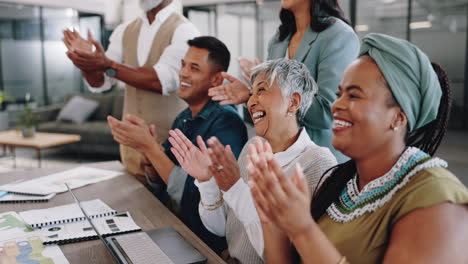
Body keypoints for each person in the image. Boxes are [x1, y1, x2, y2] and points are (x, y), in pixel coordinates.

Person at [247, 33, 468, 264]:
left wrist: (303, 230)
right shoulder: (340, 181)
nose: (337, 105)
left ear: (398, 116)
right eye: (338, 94)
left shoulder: (436, 199)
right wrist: (273, 224)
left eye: (354, 95)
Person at [169, 59, 337, 263]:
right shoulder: (252, 147)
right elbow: (222, 228)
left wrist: (235, 188)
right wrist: (207, 181)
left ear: (293, 102)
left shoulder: (318, 162)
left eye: (261, 90)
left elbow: (288, 254)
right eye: (251, 93)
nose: (250, 102)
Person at [107, 36, 248, 254]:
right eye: (183, 65)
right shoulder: (183, 118)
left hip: (205, 243)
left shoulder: (226, 123)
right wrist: (148, 156)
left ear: (216, 79)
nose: (182, 73)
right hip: (174, 228)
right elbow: (162, 187)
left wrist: (150, 147)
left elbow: (194, 197)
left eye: (194, 68)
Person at [63, 0, 200, 182]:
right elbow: (101, 82)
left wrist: (106, 64)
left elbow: (161, 81)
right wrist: (86, 62)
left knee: (167, 207)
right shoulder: (125, 30)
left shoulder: (184, 30)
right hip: (130, 147)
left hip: (169, 147)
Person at [208, 0, 359, 162]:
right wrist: (251, 94)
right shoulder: (279, 40)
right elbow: (272, 109)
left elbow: (326, 113)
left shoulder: (339, 35)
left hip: (318, 161)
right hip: (278, 157)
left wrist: (273, 95)